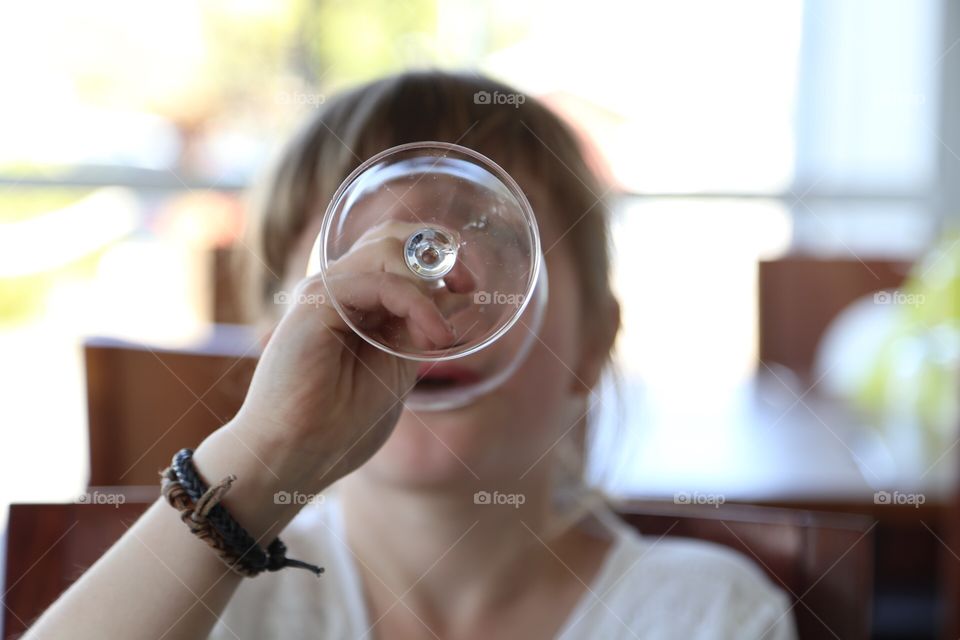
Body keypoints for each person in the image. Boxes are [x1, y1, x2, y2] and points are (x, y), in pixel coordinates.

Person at [26, 71, 796, 639]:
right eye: (358, 254)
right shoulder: (215, 601)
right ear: (276, 342)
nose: (422, 298)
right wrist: (258, 465)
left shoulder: (705, 615)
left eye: (493, 235)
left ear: (594, 341)